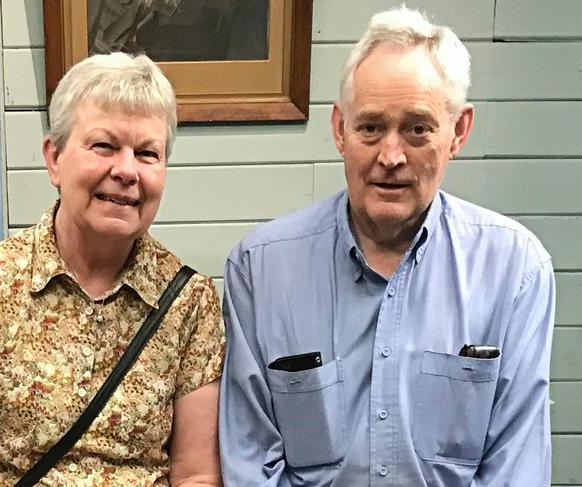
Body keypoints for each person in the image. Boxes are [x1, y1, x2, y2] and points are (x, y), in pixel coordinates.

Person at [219, 6, 554, 486]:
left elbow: (515, 468)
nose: (391, 156)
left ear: (458, 131)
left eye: (418, 128)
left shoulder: (515, 271)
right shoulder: (261, 270)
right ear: (339, 129)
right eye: (370, 127)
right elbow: (250, 464)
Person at [0, 52, 224, 486]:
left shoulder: (189, 302)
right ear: (54, 158)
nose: (127, 171)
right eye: (105, 146)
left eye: (147, 153)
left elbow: (196, 475)